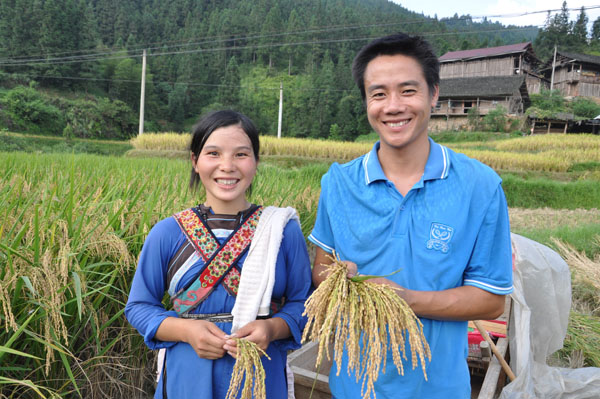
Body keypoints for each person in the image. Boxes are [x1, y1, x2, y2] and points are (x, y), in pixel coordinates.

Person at [308, 33, 513, 398]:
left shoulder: (479, 186)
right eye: (379, 94)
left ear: (433, 94)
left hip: (439, 387)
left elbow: (491, 297)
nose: (393, 106)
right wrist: (340, 277)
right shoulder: (338, 182)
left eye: (407, 90)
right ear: (367, 102)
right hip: (354, 386)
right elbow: (321, 267)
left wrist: (405, 298)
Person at [125, 110, 312, 399]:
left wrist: (272, 329)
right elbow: (139, 306)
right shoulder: (168, 233)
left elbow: (304, 304)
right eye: (213, 153)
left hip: (258, 372)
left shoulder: (282, 231)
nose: (227, 166)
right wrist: (186, 332)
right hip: (188, 372)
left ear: (256, 162)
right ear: (195, 161)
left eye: (240, 155)